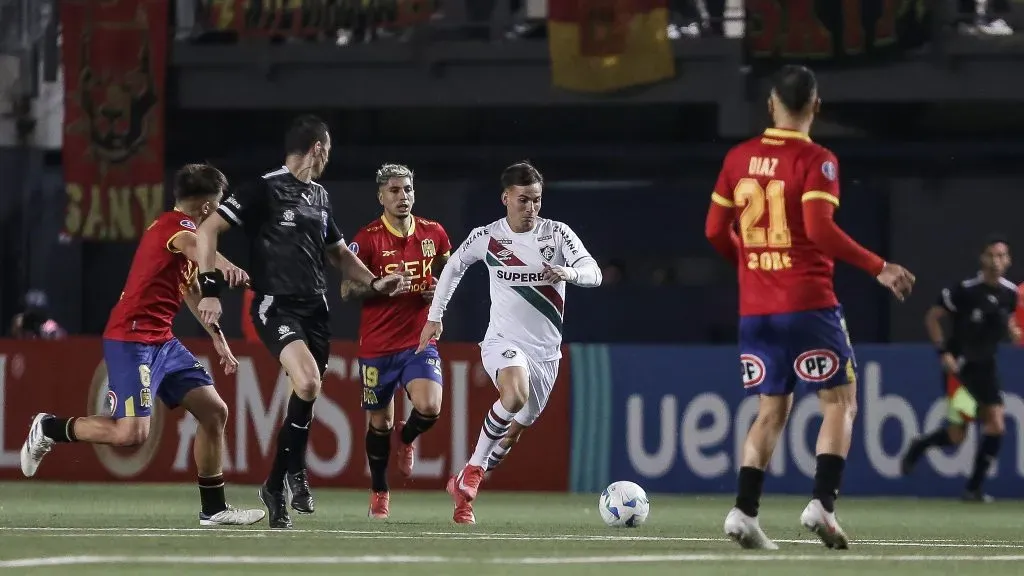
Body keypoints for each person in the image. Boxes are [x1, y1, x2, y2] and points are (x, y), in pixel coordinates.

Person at [704, 65, 916, 550]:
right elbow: (819, 230)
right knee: (840, 402)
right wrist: (877, 265)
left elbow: (715, 231)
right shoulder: (817, 160)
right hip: (809, 303)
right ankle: (821, 503)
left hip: (756, 310)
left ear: (770, 105)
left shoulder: (738, 157)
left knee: (770, 411)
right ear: (816, 106)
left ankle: (743, 511)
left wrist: (751, 262)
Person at [194, 115, 409, 529]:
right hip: (276, 306)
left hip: (317, 311)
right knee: (308, 382)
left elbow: (340, 255)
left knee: (305, 394)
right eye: (328, 150)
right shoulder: (263, 188)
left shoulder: (321, 197)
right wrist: (210, 290)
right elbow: (207, 231)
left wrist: (376, 282)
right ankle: (295, 473)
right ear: (319, 148)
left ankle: (275, 484)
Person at [19, 163, 264, 526]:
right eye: (220, 206)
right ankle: (48, 428)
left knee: (214, 412)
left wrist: (220, 342)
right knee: (130, 434)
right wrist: (226, 266)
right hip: (131, 339)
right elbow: (198, 248)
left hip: (161, 339)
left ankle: (213, 509)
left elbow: (193, 292)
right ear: (210, 207)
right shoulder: (177, 227)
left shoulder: (185, 236)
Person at [417, 161, 603, 524]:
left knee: (514, 431)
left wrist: (569, 272)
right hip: (502, 341)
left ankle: (465, 488)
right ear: (505, 198)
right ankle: (472, 473)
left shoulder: (557, 234)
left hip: (546, 353)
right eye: (523, 200)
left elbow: (593, 273)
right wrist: (435, 317)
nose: (531, 208)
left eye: (536, 200)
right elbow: (453, 267)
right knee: (513, 395)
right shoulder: (488, 237)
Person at [342, 163, 452, 519]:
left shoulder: (434, 233)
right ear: (380, 196)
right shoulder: (368, 238)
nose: (402, 196)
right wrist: (378, 285)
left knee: (431, 406)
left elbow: (448, 275)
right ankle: (379, 491)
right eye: (394, 190)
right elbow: (347, 289)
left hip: (418, 340)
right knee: (379, 424)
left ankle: (406, 439)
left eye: (407, 189)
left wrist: (436, 292)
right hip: (377, 346)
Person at [901, 236, 1020, 502]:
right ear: (982, 258)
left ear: (1009, 260)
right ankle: (921, 445)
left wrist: (1012, 332)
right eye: (991, 255)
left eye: (1002, 256)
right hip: (960, 369)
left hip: (986, 368)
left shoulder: (1011, 294)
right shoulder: (965, 291)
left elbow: (1006, 324)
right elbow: (932, 317)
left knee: (996, 425)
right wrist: (943, 352)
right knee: (957, 435)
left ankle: (973, 488)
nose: (996, 261)